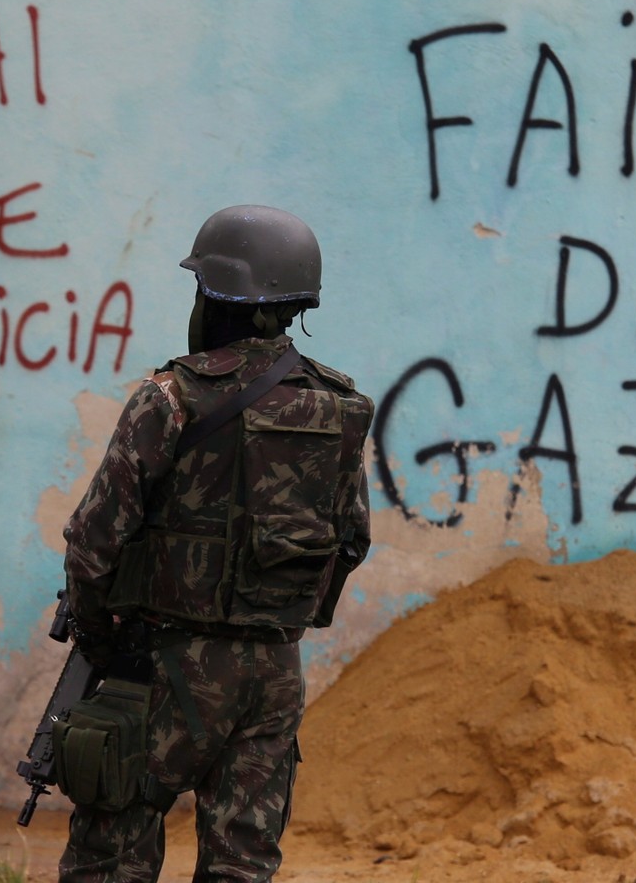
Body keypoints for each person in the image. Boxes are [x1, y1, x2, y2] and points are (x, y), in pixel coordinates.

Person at [56, 204, 374, 882]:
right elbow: (352, 542)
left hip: (166, 666)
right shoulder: (339, 406)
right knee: (243, 863)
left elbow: (91, 543)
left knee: (112, 852)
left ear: (214, 296)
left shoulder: (169, 398)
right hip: (273, 676)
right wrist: (277, 619)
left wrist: (98, 638)